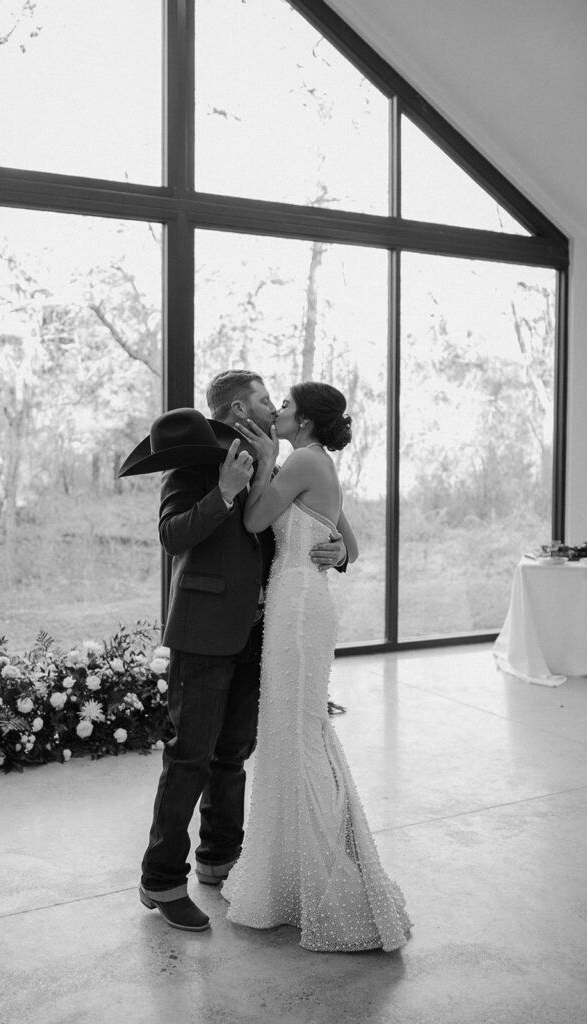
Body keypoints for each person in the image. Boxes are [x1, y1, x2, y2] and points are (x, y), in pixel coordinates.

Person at [119, 370, 348, 933]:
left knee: (233, 755)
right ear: (237, 409)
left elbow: (307, 524)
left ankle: (220, 859)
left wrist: (336, 546)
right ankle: (162, 880)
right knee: (190, 757)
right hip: (203, 631)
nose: (274, 408)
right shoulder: (195, 461)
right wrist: (223, 491)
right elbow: (172, 536)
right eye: (266, 400)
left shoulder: (277, 459)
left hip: (263, 632)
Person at [222, 381, 411, 952]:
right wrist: (340, 551)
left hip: (299, 609)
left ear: (302, 421)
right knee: (291, 733)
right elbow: (348, 540)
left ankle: (328, 875)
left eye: (284, 405)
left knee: (297, 735)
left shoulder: (300, 458)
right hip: (296, 603)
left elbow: (256, 521)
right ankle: (293, 873)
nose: (276, 411)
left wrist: (265, 468)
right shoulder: (314, 460)